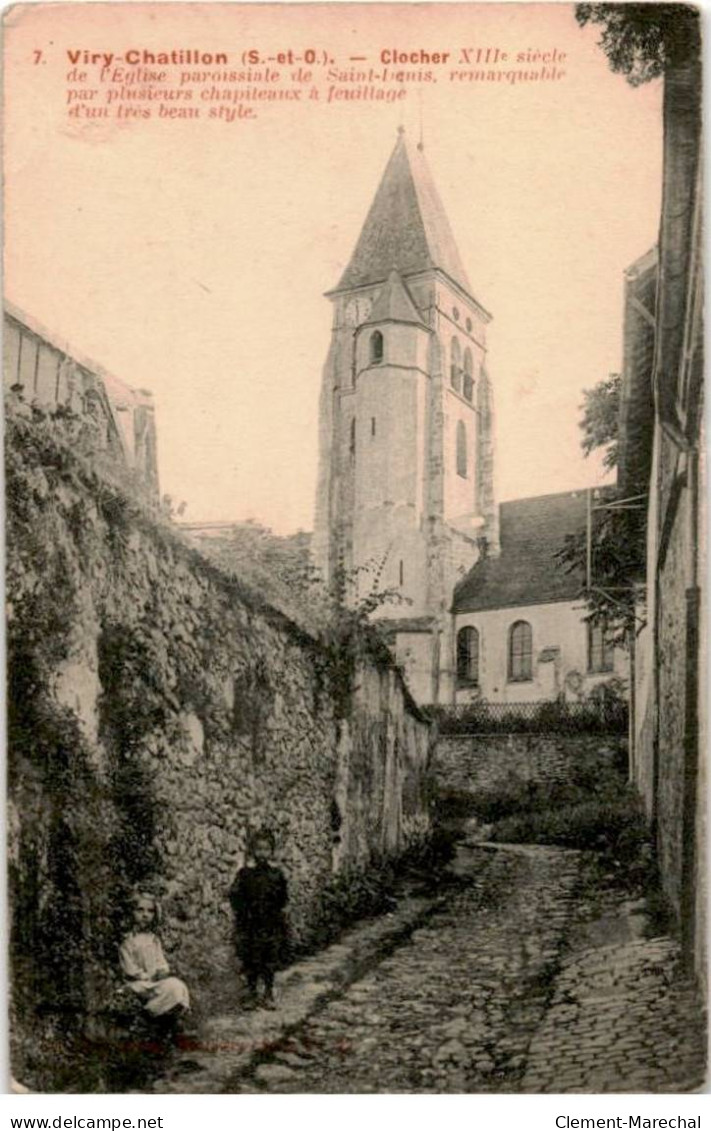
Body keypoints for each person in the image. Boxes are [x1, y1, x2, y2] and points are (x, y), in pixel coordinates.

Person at [229, 831, 288, 1010]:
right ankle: (252, 993)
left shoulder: (277, 875)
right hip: (250, 925)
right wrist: (243, 914)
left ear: (271, 852)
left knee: (269, 960)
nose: (262, 853)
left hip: (270, 925)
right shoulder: (245, 874)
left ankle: (268, 993)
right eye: (259, 849)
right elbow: (234, 896)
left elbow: (283, 899)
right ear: (253, 851)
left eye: (266, 849)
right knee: (251, 959)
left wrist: (277, 917)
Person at [118, 891, 190, 1029]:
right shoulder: (127, 940)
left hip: (155, 983)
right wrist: (145, 976)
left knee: (177, 986)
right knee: (140, 989)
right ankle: (147, 1015)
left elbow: (161, 962)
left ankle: (156, 1015)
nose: (145, 915)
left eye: (150, 911)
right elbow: (129, 969)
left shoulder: (153, 939)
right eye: (140, 910)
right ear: (132, 912)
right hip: (138, 984)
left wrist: (162, 970)